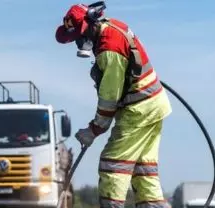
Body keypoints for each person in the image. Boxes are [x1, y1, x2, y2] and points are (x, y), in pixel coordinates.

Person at [55, 2, 172, 208]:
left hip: (139, 110)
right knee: (143, 170)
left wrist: (93, 130)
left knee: (112, 164)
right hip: (153, 104)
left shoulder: (109, 49)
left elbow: (110, 97)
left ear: (92, 22)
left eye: (81, 35)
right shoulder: (112, 27)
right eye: (75, 39)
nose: (80, 41)